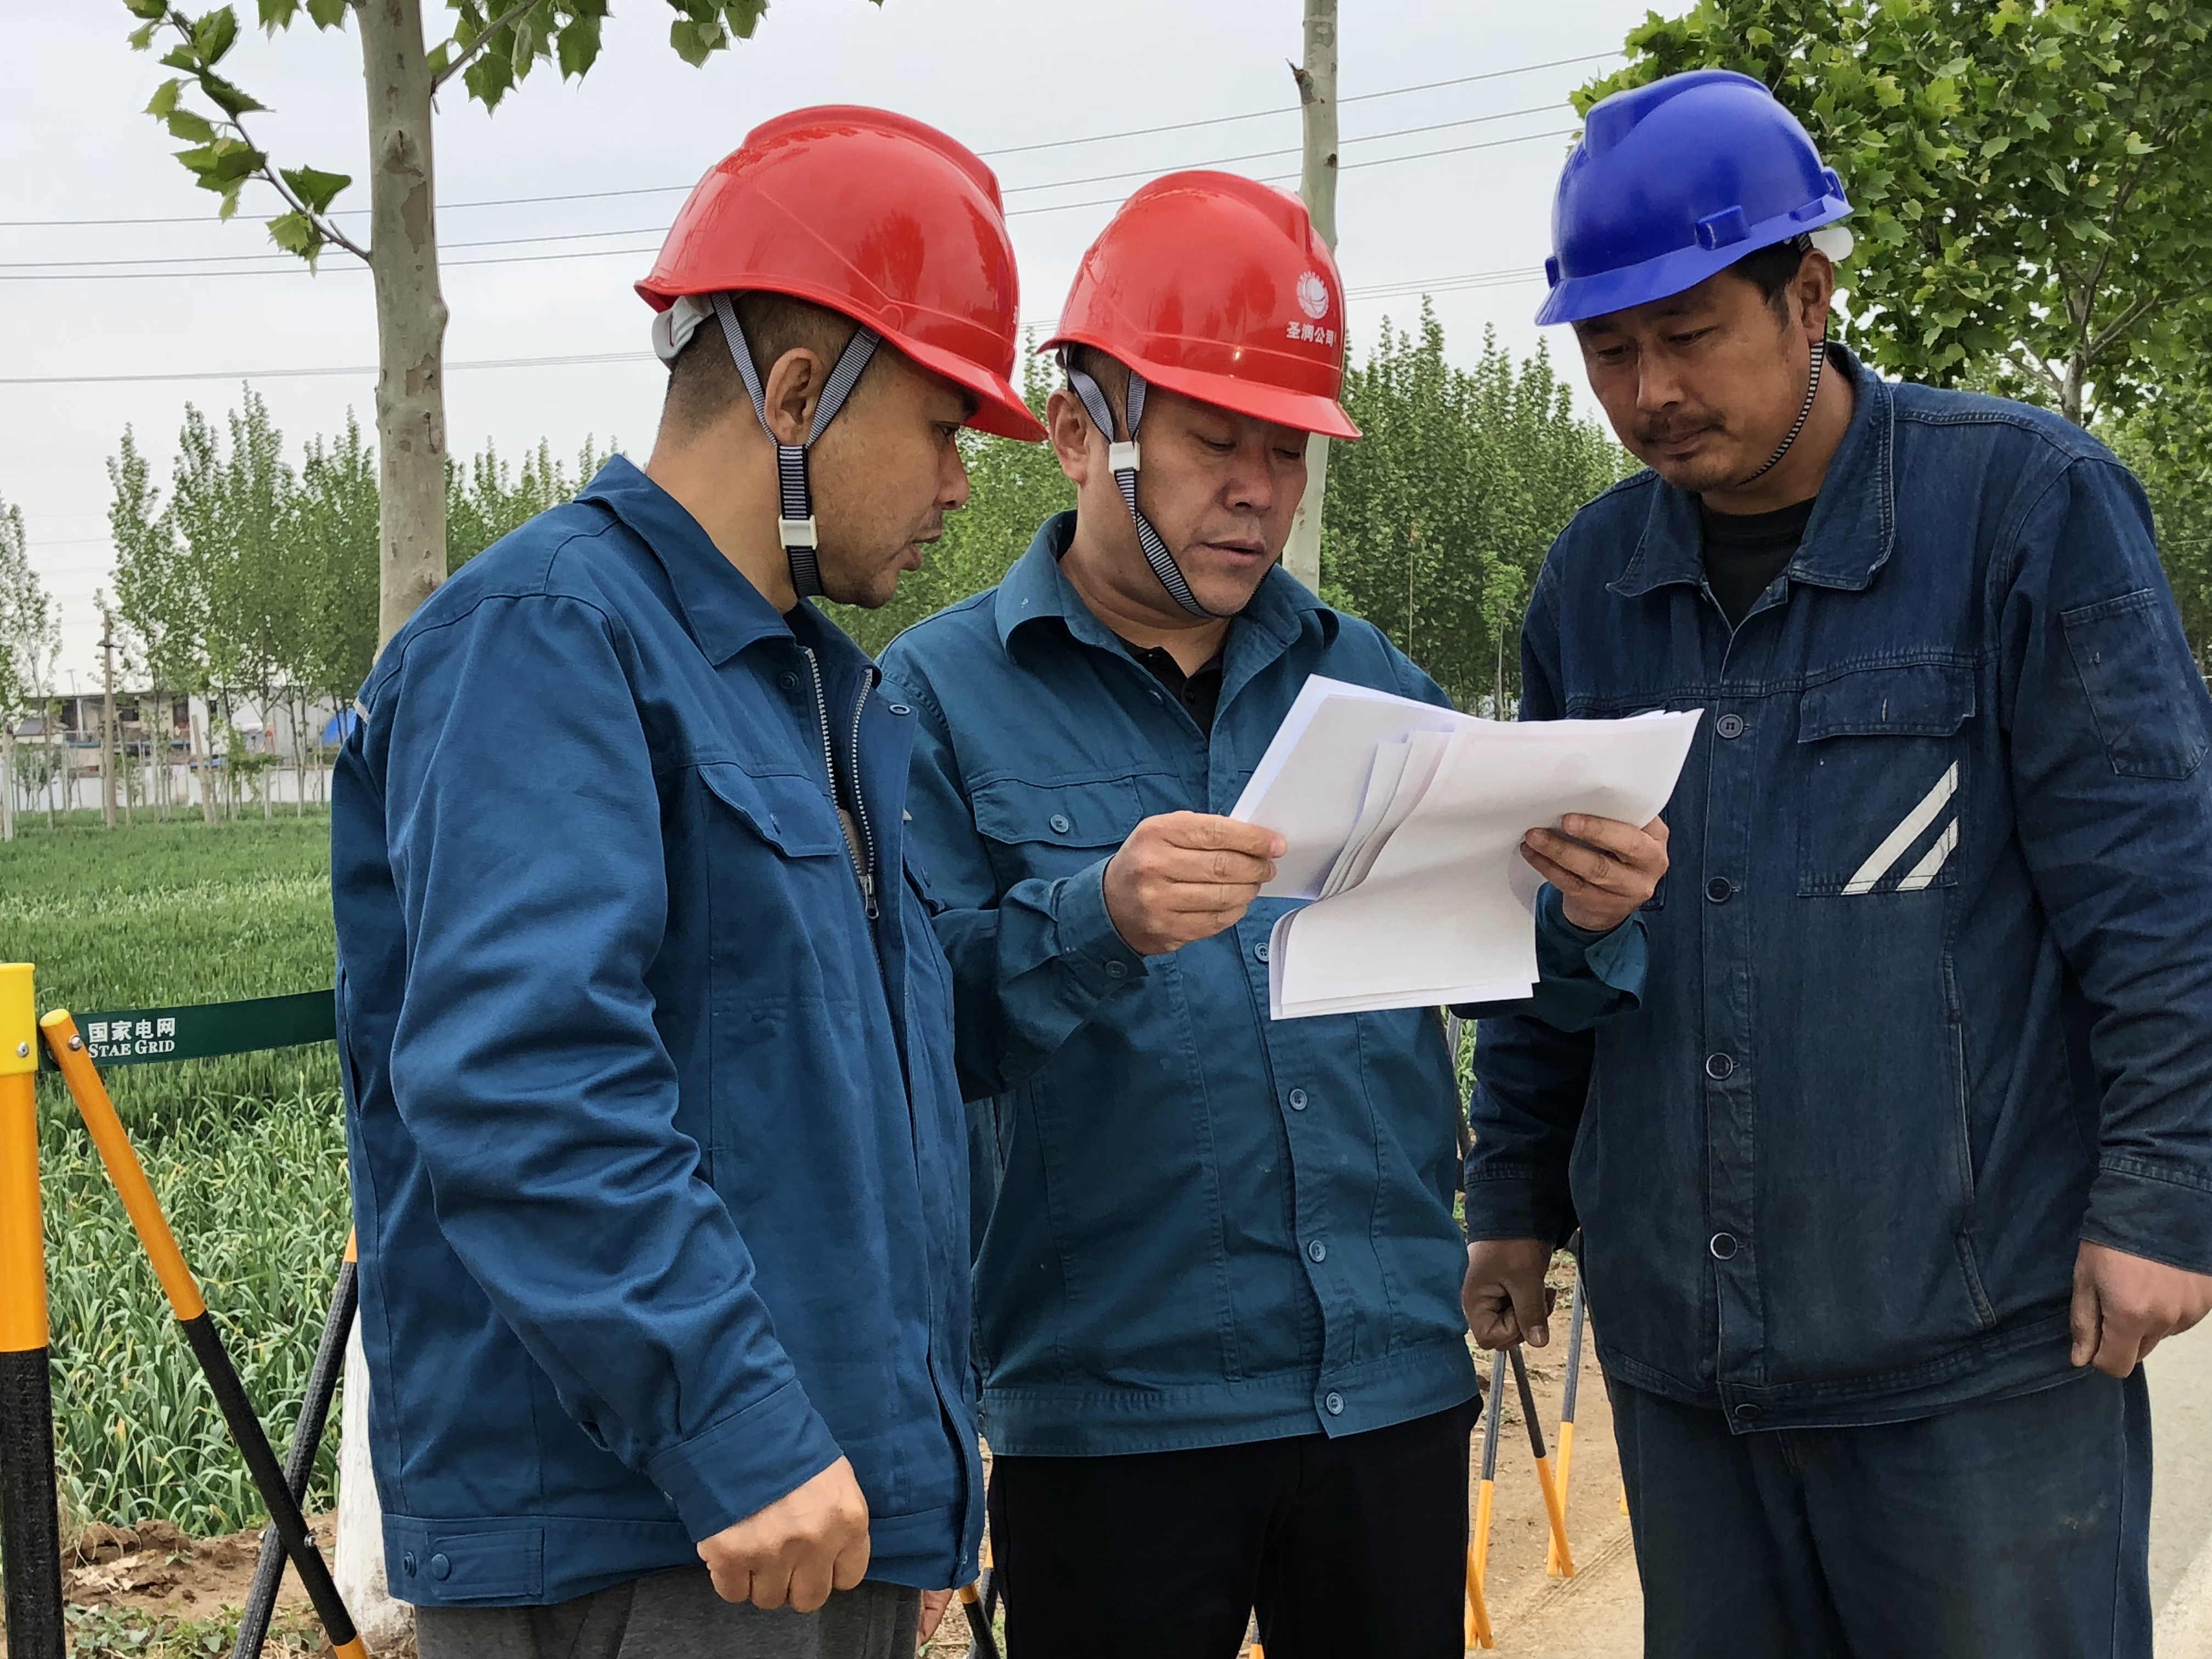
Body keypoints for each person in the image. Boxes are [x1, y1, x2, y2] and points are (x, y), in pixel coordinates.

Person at [1464, 68, 2212, 1659]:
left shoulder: (2025, 513)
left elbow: (2164, 895)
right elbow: (1539, 920)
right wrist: (1511, 1197)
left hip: (1976, 1362)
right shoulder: (1594, 588)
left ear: (1811, 295)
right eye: (1611, 351)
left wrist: (2166, 1198)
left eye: (1689, 335)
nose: (1650, 388)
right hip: (1689, 1371)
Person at [879, 171, 1669, 1659]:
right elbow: (924, 1042)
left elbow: (1527, 989)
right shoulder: (931, 702)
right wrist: (1097, 916)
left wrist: (1582, 918)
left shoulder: (1370, 686)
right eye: (1212, 439)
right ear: (1078, 431)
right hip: (1114, 1414)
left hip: (1386, 1383)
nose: (1258, 487)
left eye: (1289, 450)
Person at [330, 106, 1046, 1659]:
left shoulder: (814, 698)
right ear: (798, 393)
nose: (957, 487)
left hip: (802, 1522)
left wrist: (910, 1465)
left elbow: (837, 1109)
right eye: (939, 428)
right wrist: (741, 1421)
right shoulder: (550, 640)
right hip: (647, 1547)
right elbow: (528, 1076)